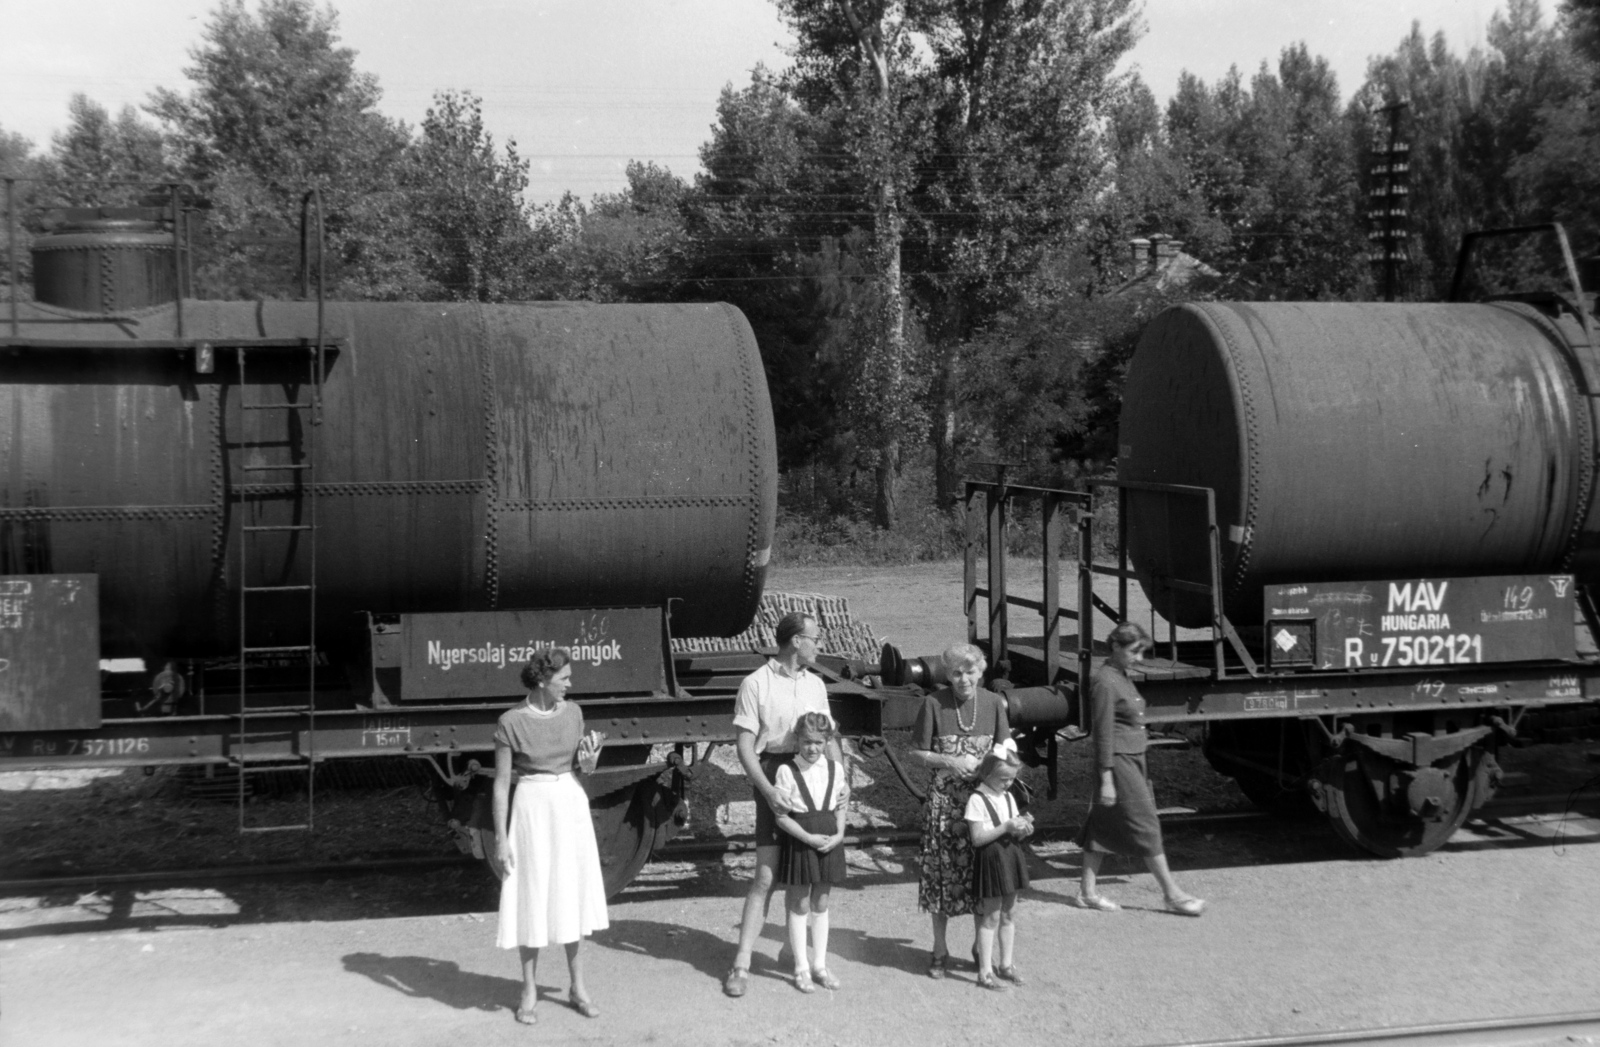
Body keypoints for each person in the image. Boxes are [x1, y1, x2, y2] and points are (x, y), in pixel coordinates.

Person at [723, 611, 838, 998]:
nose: (818, 646)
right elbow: (744, 745)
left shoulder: (816, 685)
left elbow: (829, 737)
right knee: (766, 877)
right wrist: (769, 791)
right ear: (795, 642)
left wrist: (842, 783)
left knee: (805, 874)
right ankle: (741, 963)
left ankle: (794, 953)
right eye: (815, 639)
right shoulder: (756, 683)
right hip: (775, 773)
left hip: (816, 777)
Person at [493, 649, 609, 1025]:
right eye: (564, 678)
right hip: (530, 809)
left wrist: (590, 760)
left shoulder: (573, 713)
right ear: (543, 680)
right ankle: (528, 989)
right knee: (532, 895)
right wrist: (500, 838)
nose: (570, 684)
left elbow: (581, 767)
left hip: (568, 804)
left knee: (569, 894)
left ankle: (578, 986)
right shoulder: (511, 722)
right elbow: (499, 785)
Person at [1077, 621, 1205, 917]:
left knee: (1102, 824)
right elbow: (1104, 733)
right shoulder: (1106, 682)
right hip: (1119, 763)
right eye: (1134, 651)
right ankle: (1172, 895)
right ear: (1115, 647)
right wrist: (1107, 778)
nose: (1139, 658)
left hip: (1132, 758)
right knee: (1146, 824)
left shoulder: (1119, 675)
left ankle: (1087, 892)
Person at [905, 642, 1011, 979]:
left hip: (982, 804)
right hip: (945, 808)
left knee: (983, 878)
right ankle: (939, 949)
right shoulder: (933, 703)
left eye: (970, 672)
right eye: (956, 672)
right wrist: (950, 760)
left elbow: (1005, 751)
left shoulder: (994, 703)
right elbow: (916, 753)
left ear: (981, 672)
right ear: (947, 674)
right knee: (942, 879)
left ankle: (983, 948)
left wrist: (988, 765)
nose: (963, 679)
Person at [773, 711, 849, 993]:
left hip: (829, 837)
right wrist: (808, 838)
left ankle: (820, 965)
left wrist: (839, 834)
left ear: (827, 741)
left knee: (821, 903)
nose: (812, 748)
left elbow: (841, 804)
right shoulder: (786, 771)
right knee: (800, 903)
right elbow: (782, 817)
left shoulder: (835, 769)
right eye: (806, 742)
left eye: (818, 742)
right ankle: (801, 967)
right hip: (802, 838)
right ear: (797, 741)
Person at [965, 741, 1033, 990]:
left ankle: (1006, 964)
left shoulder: (1007, 797)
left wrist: (1023, 829)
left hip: (1011, 856)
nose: (1008, 784)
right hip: (991, 860)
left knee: (1009, 913)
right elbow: (977, 838)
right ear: (987, 773)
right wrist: (1006, 827)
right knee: (991, 916)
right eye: (1004, 779)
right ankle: (984, 971)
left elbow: (1015, 833)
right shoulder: (977, 799)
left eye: (1012, 779)